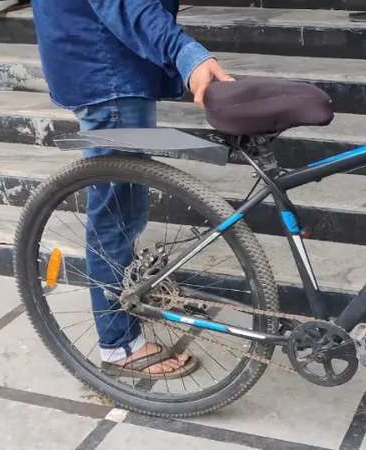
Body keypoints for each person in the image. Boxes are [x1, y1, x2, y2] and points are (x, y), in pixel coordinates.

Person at [32, 0, 234, 378]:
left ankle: (124, 315)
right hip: (106, 69)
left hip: (100, 62)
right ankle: (119, 344)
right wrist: (185, 53)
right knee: (117, 215)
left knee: (121, 209)